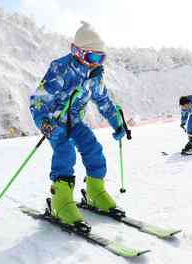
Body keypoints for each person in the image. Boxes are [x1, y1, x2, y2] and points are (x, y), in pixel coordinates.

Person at [29, 21, 126, 229]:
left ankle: (95, 192)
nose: (97, 63)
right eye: (93, 57)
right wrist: (44, 122)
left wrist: (117, 123)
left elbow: (103, 101)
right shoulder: (61, 69)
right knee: (65, 152)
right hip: (54, 122)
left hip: (75, 120)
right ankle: (60, 200)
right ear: (78, 52)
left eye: (102, 58)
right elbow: (37, 101)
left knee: (93, 148)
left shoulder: (95, 75)